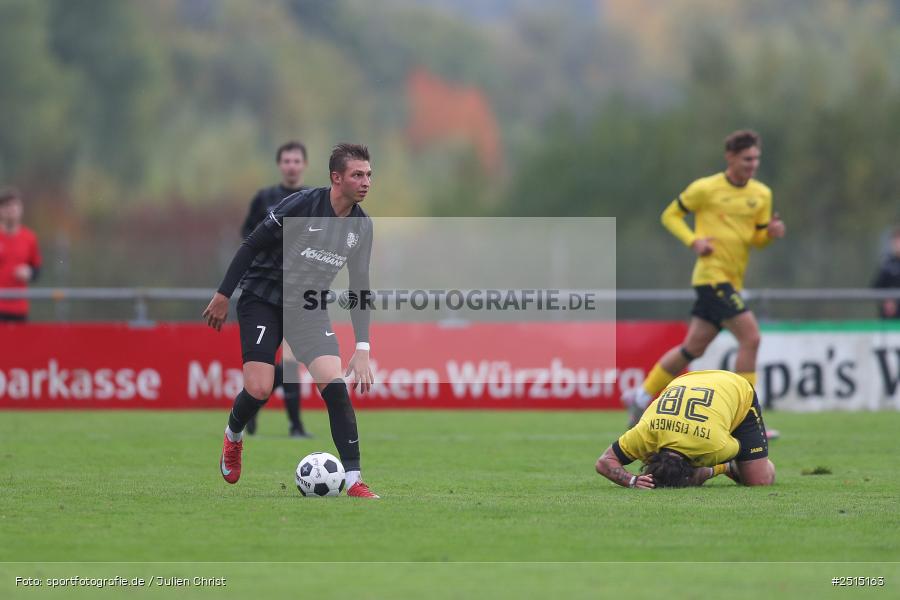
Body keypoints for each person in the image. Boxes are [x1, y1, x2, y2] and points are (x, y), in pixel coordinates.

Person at [203, 143, 379, 498]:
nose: (365, 182)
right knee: (259, 389)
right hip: (263, 299)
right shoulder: (302, 206)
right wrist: (223, 294)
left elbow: (360, 287)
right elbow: (251, 245)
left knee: (335, 386)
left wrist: (363, 347)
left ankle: (354, 480)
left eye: (369, 175)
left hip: (308, 308)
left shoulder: (361, 227)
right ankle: (233, 435)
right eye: (357, 175)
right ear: (336, 178)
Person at [623, 130, 785, 435]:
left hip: (731, 282)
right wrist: (693, 241)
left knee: (691, 349)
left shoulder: (761, 194)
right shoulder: (706, 189)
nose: (753, 164)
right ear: (731, 157)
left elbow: (756, 239)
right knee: (751, 338)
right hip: (712, 278)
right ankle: (747, 420)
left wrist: (770, 234)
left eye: (756, 159)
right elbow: (670, 215)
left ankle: (641, 397)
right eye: (747, 159)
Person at [597, 370, 775, 488]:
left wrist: (708, 470)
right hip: (686, 379)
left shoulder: (715, 446)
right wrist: (633, 480)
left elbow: (738, 447)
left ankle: (729, 467)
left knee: (759, 481)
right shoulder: (645, 433)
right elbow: (603, 462)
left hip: (737, 388)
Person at [241, 141, 311, 438]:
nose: (291, 165)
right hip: (266, 292)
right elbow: (249, 235)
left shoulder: (314, 199)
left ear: (304, 165)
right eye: (286, 160)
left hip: (299, 291)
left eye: (296, 160)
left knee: (294, 361)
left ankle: (294, 425)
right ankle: (253, 405)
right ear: (279, 165)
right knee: (267, 365)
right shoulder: (265, 199)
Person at [0, 187, 42, 322]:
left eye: (15, 205)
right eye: (6, 205)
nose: (11, 209)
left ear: (21, 209)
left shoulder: (29, 238)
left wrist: (29, 272)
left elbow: (37, 270)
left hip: (19, 308)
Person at [872, 226, 900, 319]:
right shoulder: (887, 265)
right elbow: (876, 287)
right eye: (896, 241)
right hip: (891, 319)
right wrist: (887, 301)